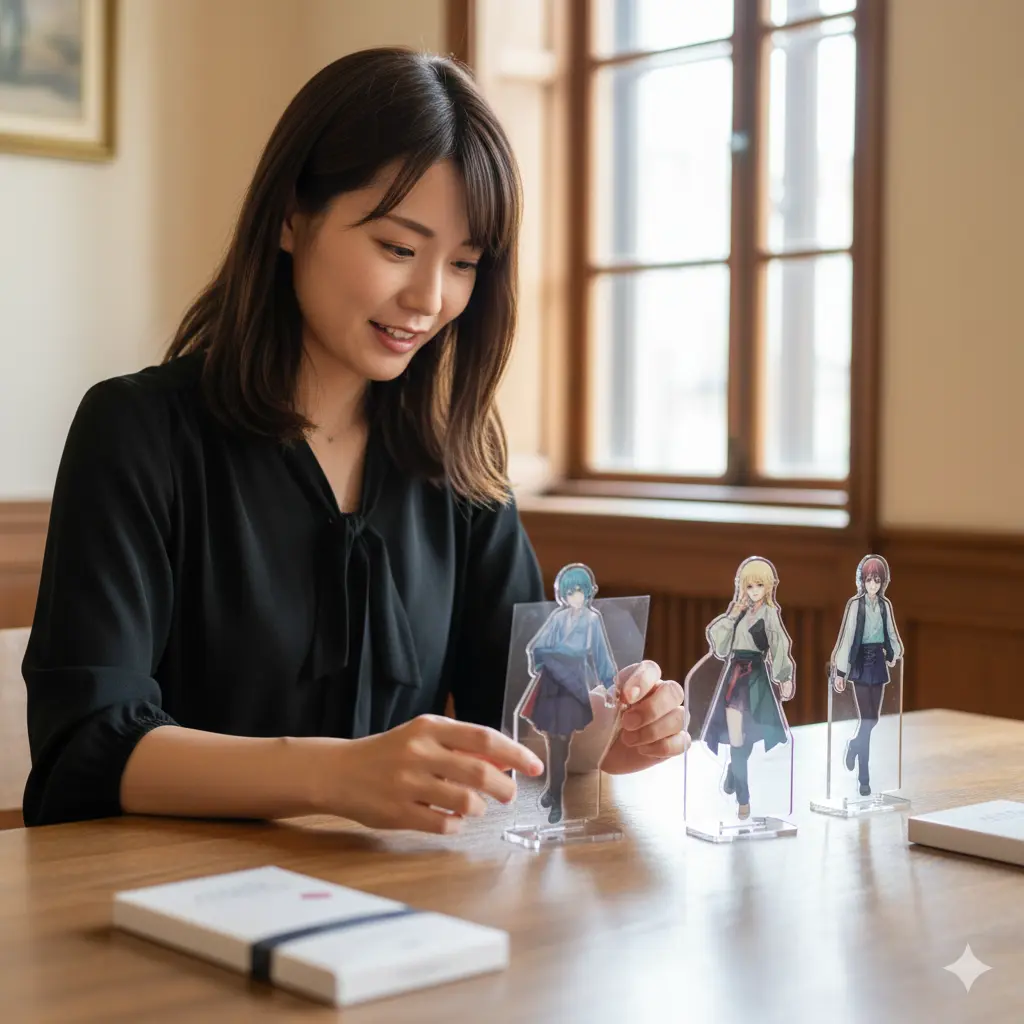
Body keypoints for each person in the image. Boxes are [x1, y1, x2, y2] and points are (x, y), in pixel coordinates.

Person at [22, 47, 688, 832]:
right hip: (167, 906)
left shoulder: (458, 466)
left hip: (400, 910)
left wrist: (605, 737)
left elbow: (513, 718)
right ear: (290, 216)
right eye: (398, 248)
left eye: (465, 264)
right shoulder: (137, 434)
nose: (431, 298)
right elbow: (85, 744)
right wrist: (333, 774)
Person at [518, 564, 618, 825]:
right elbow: (537, 645)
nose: (575, 596)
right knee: (553, 741)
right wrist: (538, 661)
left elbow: (600, 654)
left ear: (588, 593)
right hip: (552, 679)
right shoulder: (558, 618)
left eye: (579, 591)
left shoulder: (592, 620)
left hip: (572, 681)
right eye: (570, 591)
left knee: (561, 743)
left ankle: (555, 795)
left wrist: (610, 685)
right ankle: (553, 790)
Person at [698, 557, 795, 820]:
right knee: (736, 739)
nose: (754, 591)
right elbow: (719, 646)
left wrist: (784, 676)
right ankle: (744, 799)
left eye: (759, 585)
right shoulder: (738, 612)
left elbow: (779, 645)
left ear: (768, 587)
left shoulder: (770, 614)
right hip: (734, 678)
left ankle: (733, 770)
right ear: (743, 586)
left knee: (746, 740)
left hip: (757, 679)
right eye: (749, 585)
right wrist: (732, 614)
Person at [830, 554, 904, 796]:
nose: (873, 585)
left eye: (877, 580)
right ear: (862, 581)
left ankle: (854, 746)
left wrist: (896, 653)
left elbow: (891, 632)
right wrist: (840, 671)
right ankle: (864, 778)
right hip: (860, 663)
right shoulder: (855, 605)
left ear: (883, 582)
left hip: (878, 663)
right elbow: (847, 637)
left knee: (873, 720)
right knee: (868, 720)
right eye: (869, 580)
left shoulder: (884, 606)